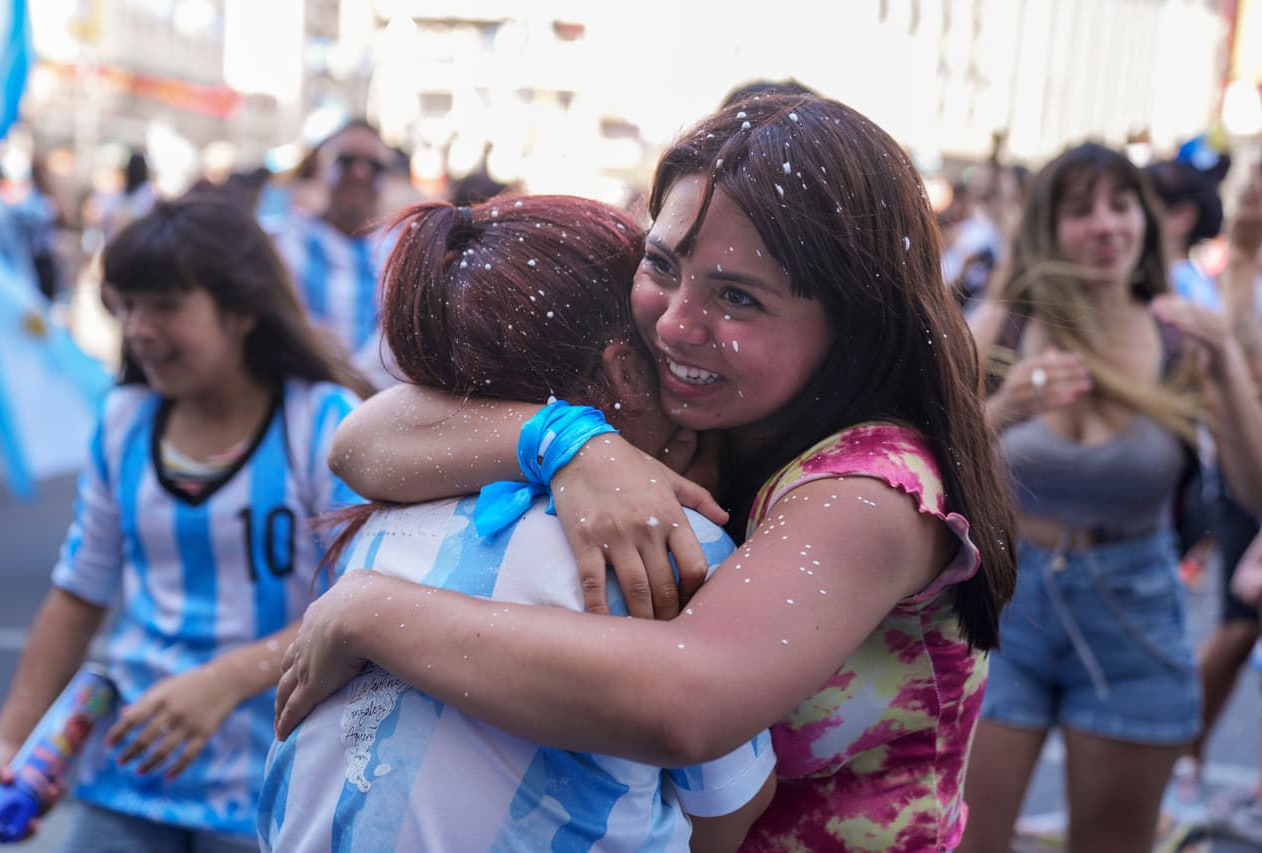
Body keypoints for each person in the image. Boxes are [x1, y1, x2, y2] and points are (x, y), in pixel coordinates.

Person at [276, 93, 1019, 851]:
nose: (674, 321)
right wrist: (562, 439)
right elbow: (363, 439)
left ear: (854, 322)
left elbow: (684, 700)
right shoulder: (723, 410)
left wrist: (371, 612)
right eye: (663, 264)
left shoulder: (871, 488)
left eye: (737, 297)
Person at [259, 194, 776, 852]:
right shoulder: (671, 543)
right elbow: (729, 818)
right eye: (668, 349)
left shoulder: (391, 515)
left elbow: (358, 441)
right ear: (624, 370)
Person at [0, 192, 366, 851]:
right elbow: (78, 594)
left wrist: (227, 677)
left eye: (164, 305)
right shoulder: (125, 419)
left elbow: (363, 605)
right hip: (125, 778)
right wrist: (11, 740)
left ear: (242, 309)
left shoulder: (323, 421)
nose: (138, 329)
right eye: (126, 305)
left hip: (272, 789)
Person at [960, 143, 1262, 853]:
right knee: (966, 841)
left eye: (1120, 205)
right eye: (1079, 210)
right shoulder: (1002, 324)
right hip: (1006, 609)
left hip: (1134, 609)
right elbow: (928, 473)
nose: (1105, 226)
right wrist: (1002, 409)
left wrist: (1226, 362)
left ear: (1145, 220)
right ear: (1046, 227)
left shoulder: (1180, 333)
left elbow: (1252, 490)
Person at [1146, 152, 1262, 820]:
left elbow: (1241, 360)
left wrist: (1243, 260)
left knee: (1239, 625)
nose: (1249, 197)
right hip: (1239, 482)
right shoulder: (1224, 274)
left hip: (1242, 476)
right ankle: (1178, 766)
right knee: (1239, 624)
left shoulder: (1211, 280)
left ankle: (1175, 765)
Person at [267, 120, 396, 388]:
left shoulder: (403, 253)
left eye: (375, 165)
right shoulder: (281, 243)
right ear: (319, 169)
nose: (360, 173)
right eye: (346, 160)